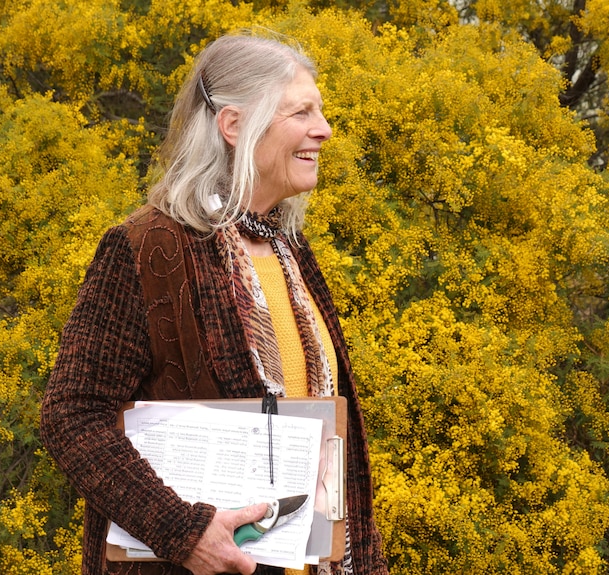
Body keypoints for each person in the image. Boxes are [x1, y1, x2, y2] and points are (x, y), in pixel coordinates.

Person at [40, 33, 389, 575]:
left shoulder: (287, 247)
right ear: (233, 127)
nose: (323, 129)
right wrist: (182, 530)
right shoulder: (148, 247)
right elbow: (72, 416)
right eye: (301, 112)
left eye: (319, 111)